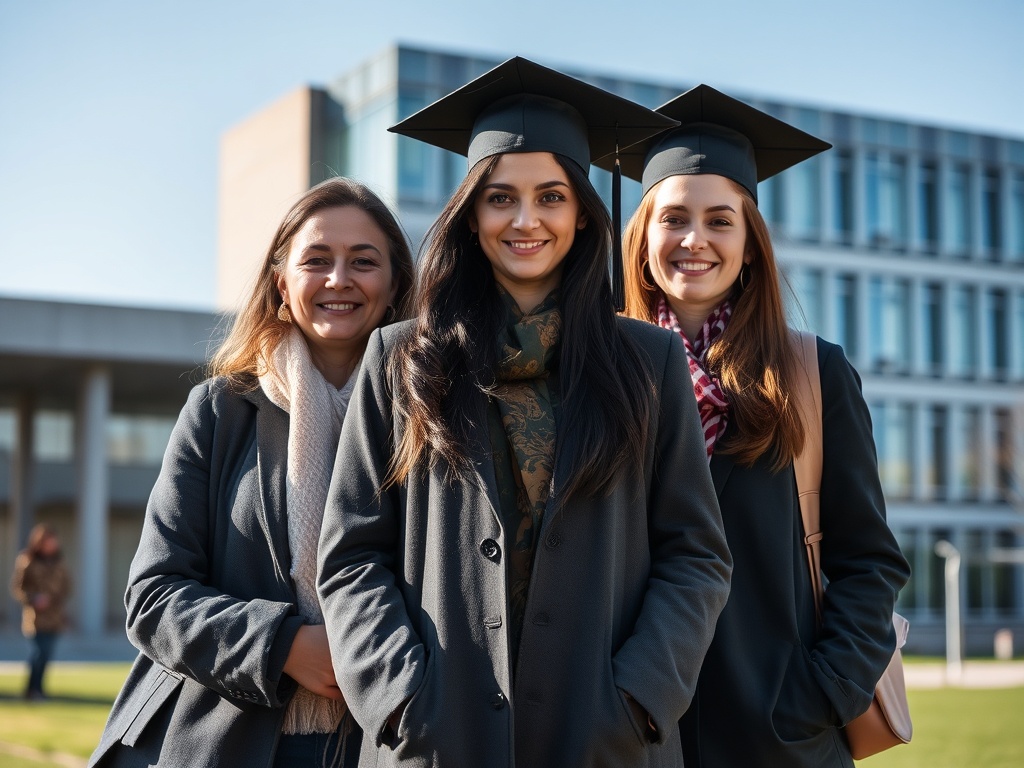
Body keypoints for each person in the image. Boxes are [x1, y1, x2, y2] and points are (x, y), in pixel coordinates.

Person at [316, 58, 732, 768]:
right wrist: (400, 699)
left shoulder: (650, 362)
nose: (526, 219)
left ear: (579, 214)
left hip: (605, 740)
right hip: (438, 741)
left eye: (550, 197)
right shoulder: (398, 359)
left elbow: (695, 556)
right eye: (501, 198)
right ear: (472, 216)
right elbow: (351, 557)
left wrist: (637, 699)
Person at [612, 85, 912, 767]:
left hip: (780, 740)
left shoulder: (812, 374)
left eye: (721, 220)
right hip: (632, 739)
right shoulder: (601, 377)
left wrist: (819, 696)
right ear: (644, 237)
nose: (695, 239)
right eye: (674, 219)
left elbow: (868, 562)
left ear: (750, 246)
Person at [88, 177, 415, 768]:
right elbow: (153, 597)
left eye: (363, 262)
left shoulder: (431, 420)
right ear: (281, 284)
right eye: (316, 260)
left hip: (386, 743)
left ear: (394, 286)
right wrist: (284, 645)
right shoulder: (219, 411)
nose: (339, 279)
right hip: (231, 738)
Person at [10, 523, 71, 701]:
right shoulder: (27, 560)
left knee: (47, 654)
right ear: (40, 542)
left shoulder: (59, 562)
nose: (53, 544)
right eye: (49, 541)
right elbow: (18, 588)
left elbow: (67, 587)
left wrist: (54, 599)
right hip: (35, 617)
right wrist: (34, 599)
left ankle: (38, 689)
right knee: (39, 652)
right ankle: (32, 689)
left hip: (54, 617)